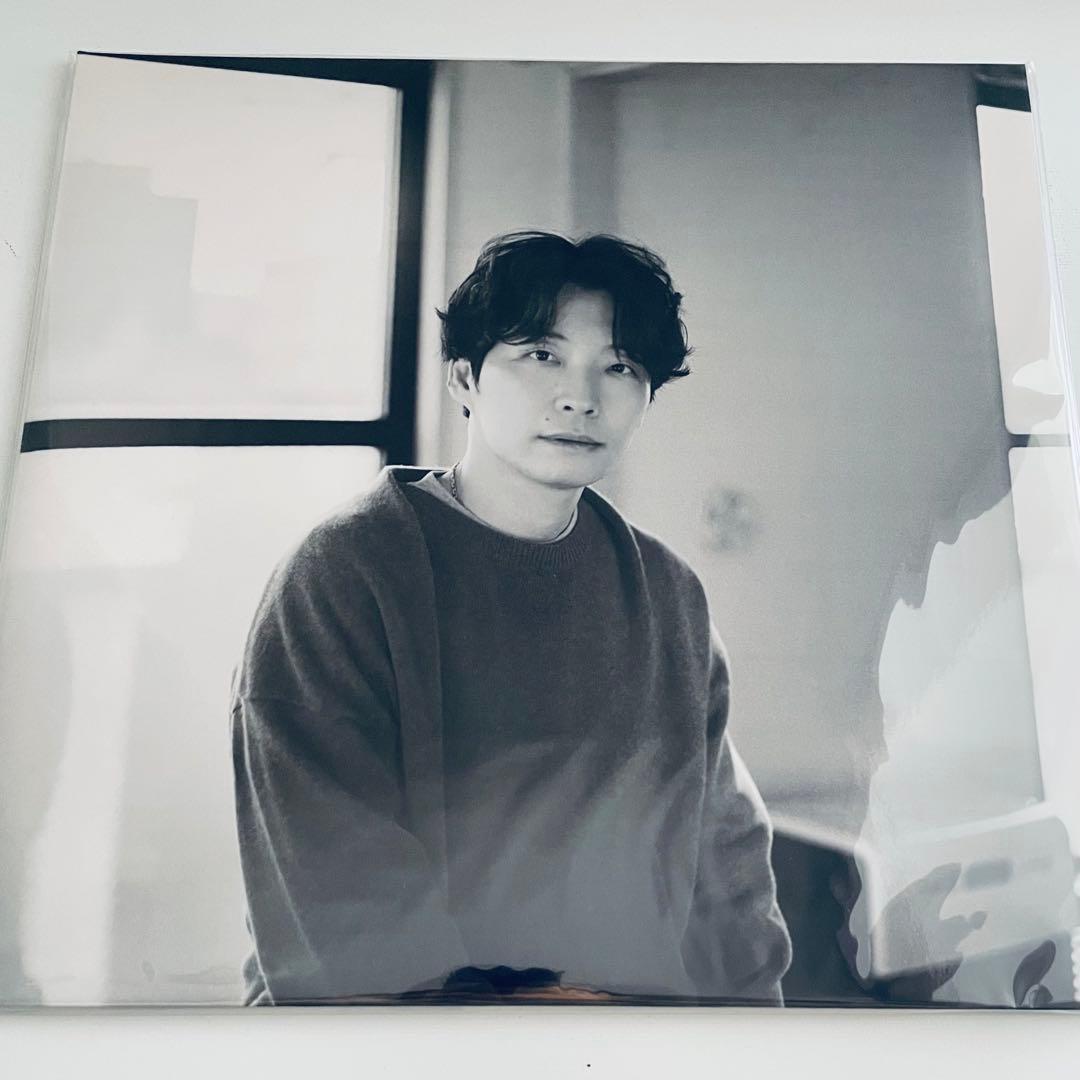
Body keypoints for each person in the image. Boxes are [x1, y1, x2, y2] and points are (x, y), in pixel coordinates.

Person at [230, 231, 792, 1005]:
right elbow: (334, 884)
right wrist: (513, 1023)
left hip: (630, 1042)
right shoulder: (346, 574)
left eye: (620, 367)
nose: (580, 396)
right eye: (541, 354)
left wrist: (755, 1030)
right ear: (464, 376)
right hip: (395, 1039)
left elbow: (724, 861)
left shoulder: (667, 593)